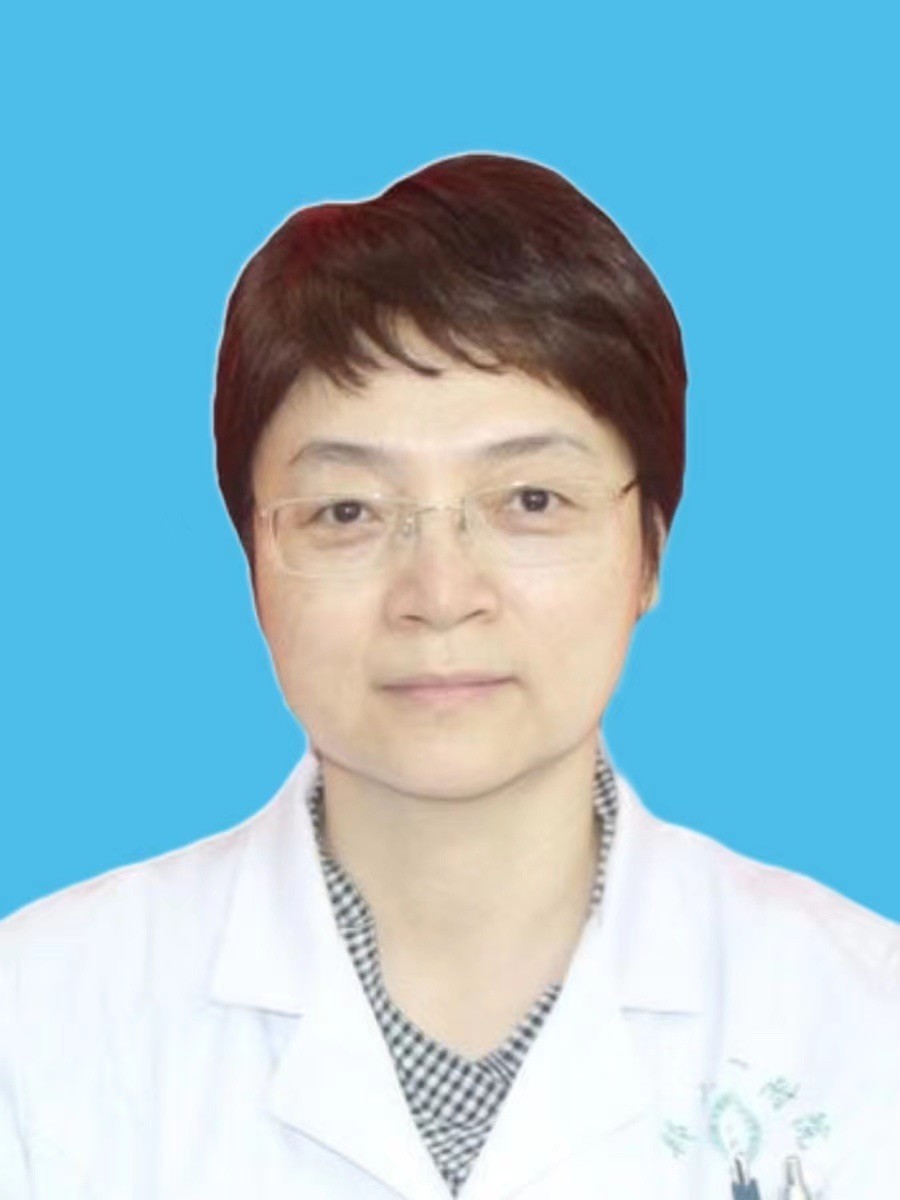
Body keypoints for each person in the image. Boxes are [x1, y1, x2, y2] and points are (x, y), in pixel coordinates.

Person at [1, 153, 897, 1200]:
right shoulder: (40, 1022)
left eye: (530, 501)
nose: (439, 594)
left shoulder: (859, 1022)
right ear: (251, 558)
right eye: (347, 511)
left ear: (651, 548)